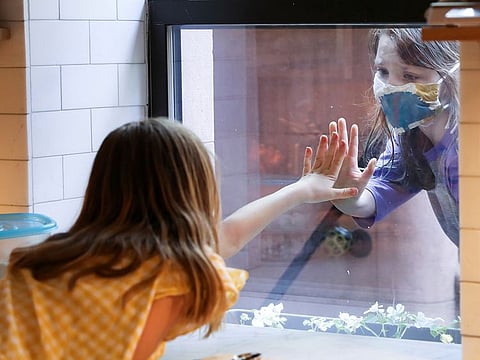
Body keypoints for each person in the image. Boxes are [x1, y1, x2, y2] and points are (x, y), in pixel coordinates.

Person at [0, 117, 358, 360]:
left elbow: (227, 237)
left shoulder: (36, 262)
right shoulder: (169, 279)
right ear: (192, 196)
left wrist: (300, 189)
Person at [331, 28, 460, 247]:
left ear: (454, 76)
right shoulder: (413, 135)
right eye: (382, 71)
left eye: (410, 76)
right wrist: (349, 197)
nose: (390, 87)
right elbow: (379, 192)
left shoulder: (465, 147)